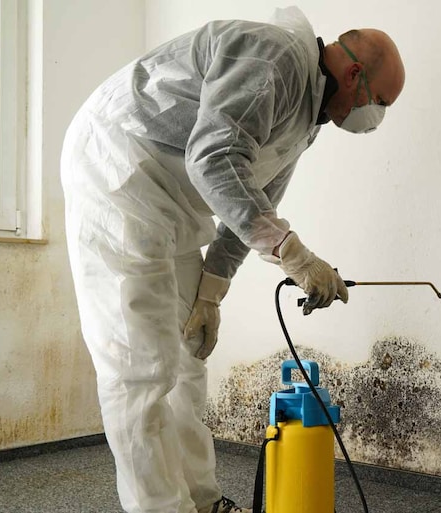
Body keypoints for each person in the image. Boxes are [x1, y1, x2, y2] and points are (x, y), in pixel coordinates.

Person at [60, 7, 405, 513]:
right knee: (141, 370)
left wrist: (211, 292)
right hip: (119, 173)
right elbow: (213, 159)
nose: (374, 118)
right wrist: (295, 255)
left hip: (171, 205)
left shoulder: (307, 119)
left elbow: (254, 200)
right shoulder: (277, 60)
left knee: (186, 360)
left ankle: (202, 502)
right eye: (379, 102)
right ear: (354, 74)